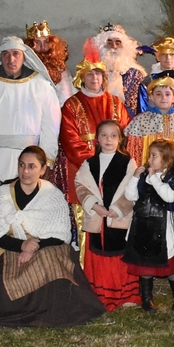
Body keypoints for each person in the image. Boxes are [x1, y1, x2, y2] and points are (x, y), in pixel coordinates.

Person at [0, 146, 105, 327]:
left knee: (50, 262)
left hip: (46, 245)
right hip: (11, 246)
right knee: (10, 282)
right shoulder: (1, 194)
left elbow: (60, 234)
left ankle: (51, 311)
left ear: (43, 170)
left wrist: (32, 246)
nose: (25, 171)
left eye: (32, 166)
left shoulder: (53, 195)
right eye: (21, 165)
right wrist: (21, 246)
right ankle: (23, 309)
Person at [0, 36, 61, 186]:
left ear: (24, 56)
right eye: (5, 54)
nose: (11, 59)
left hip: (29, 160)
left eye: (16, 53)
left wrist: (47, 160)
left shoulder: (41, 85)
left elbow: (50, 126)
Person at [58, 43, 130, 223]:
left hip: (115, 169)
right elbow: (70, 141)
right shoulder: (71, 105)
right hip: (83, 168)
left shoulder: (115, 102)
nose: (94, 78)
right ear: (82, 77)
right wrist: (95, 164)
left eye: (98, 73)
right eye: (89, 73)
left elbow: (126, 135)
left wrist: (113, 163)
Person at [73, 120, 140, 311]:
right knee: (99, 253)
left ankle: (125, 295)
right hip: (97, 218)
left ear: (120, 139)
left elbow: (131, 189)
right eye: (104, 135)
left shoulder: (127, 163)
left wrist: (117, 209)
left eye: (113, 136)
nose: (108, 139)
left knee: (119, 253)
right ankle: (100, 294)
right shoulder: (89, 163)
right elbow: (81, 186)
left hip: (118, 217)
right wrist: (94, 205)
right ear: (97, 139)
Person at [123, 139, 174, 312]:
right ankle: (146, 299)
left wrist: (154, 179)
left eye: (154, 156)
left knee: (172, 265)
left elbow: (169, 196)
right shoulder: (143, 176)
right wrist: (135, 178)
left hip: (164, 227)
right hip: (143, 225)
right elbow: (130, 195)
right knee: (145, 266)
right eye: (149, 155)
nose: (149, 159)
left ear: (166, 159)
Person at [123, 76, 174, 164]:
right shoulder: (140, 121)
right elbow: (133, 151)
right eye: (158, 94)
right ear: (151, 97)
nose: (163, 97)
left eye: (167, 94)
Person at [93, 24, 147, 117]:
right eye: (109, 43)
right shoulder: (93, 72)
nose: (114, 46)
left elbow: (143, 106)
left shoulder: (136, 74)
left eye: (118, 42)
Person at [27, 20, 75, 105]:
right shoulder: (26, 67)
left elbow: (66, 97)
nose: (42, 46)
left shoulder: (60, 68)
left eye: (46, 42)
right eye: (37, 42)